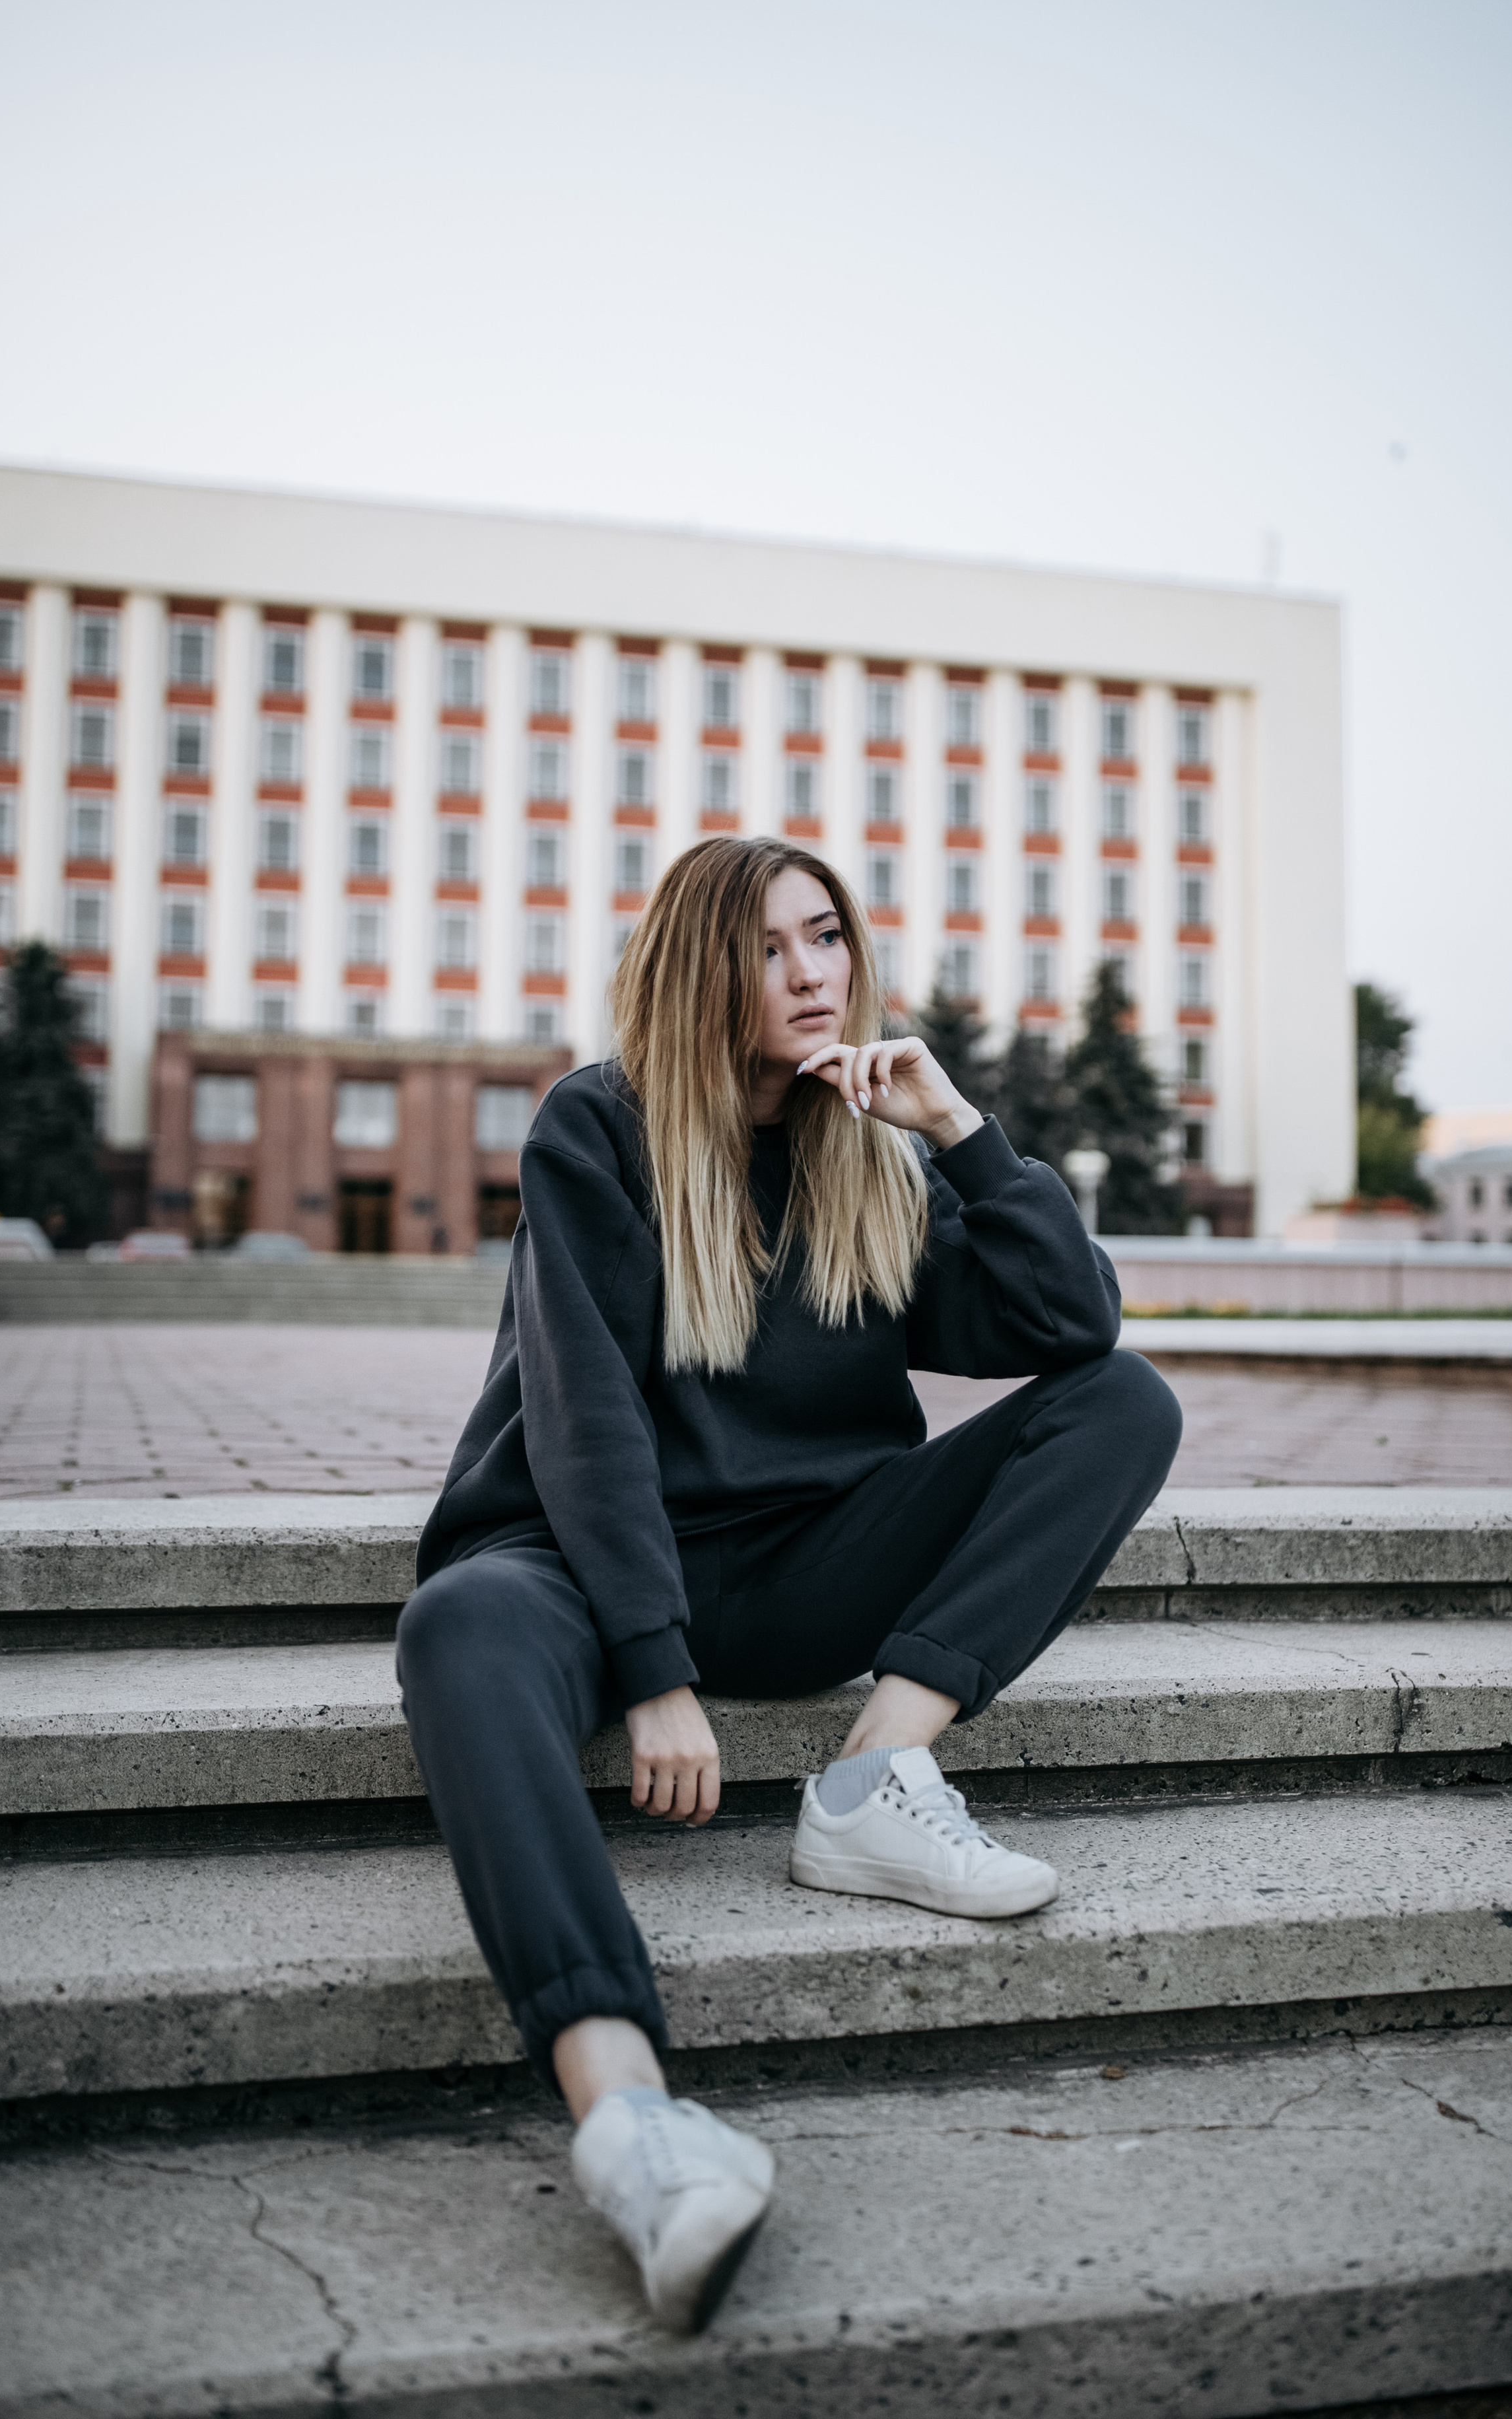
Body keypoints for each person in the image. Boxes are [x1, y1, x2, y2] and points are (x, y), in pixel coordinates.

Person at [398, 835, 1182, 2332]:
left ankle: (873, 1782)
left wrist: (956, 1129)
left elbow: (1068, 1325)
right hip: (575, 1561)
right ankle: (633, 2121)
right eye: (767, 949)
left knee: (1124, 1399)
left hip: (806, 1565)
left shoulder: (865, 1148)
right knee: (458, 1625)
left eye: (823, 937)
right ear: (704, 970)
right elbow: (585, 1414)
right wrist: (649, 1667)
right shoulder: (599, 1124)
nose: (810, 972)